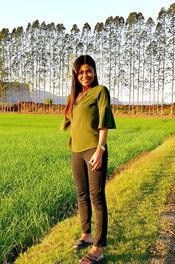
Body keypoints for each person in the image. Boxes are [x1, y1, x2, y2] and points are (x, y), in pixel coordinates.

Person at [61, 55, 116, 264]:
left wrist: (100, 150)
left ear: (94, 71)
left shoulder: (100, 91)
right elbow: (71, 120)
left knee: (97, 197)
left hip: (94, 149)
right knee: (81, 194)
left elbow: (103, 122)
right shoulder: (76, 96)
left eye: (89, 70)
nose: (85, 75)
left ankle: (98, 248)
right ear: (76, 74)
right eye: (81, 72)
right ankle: (86, 234)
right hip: (76, 150)